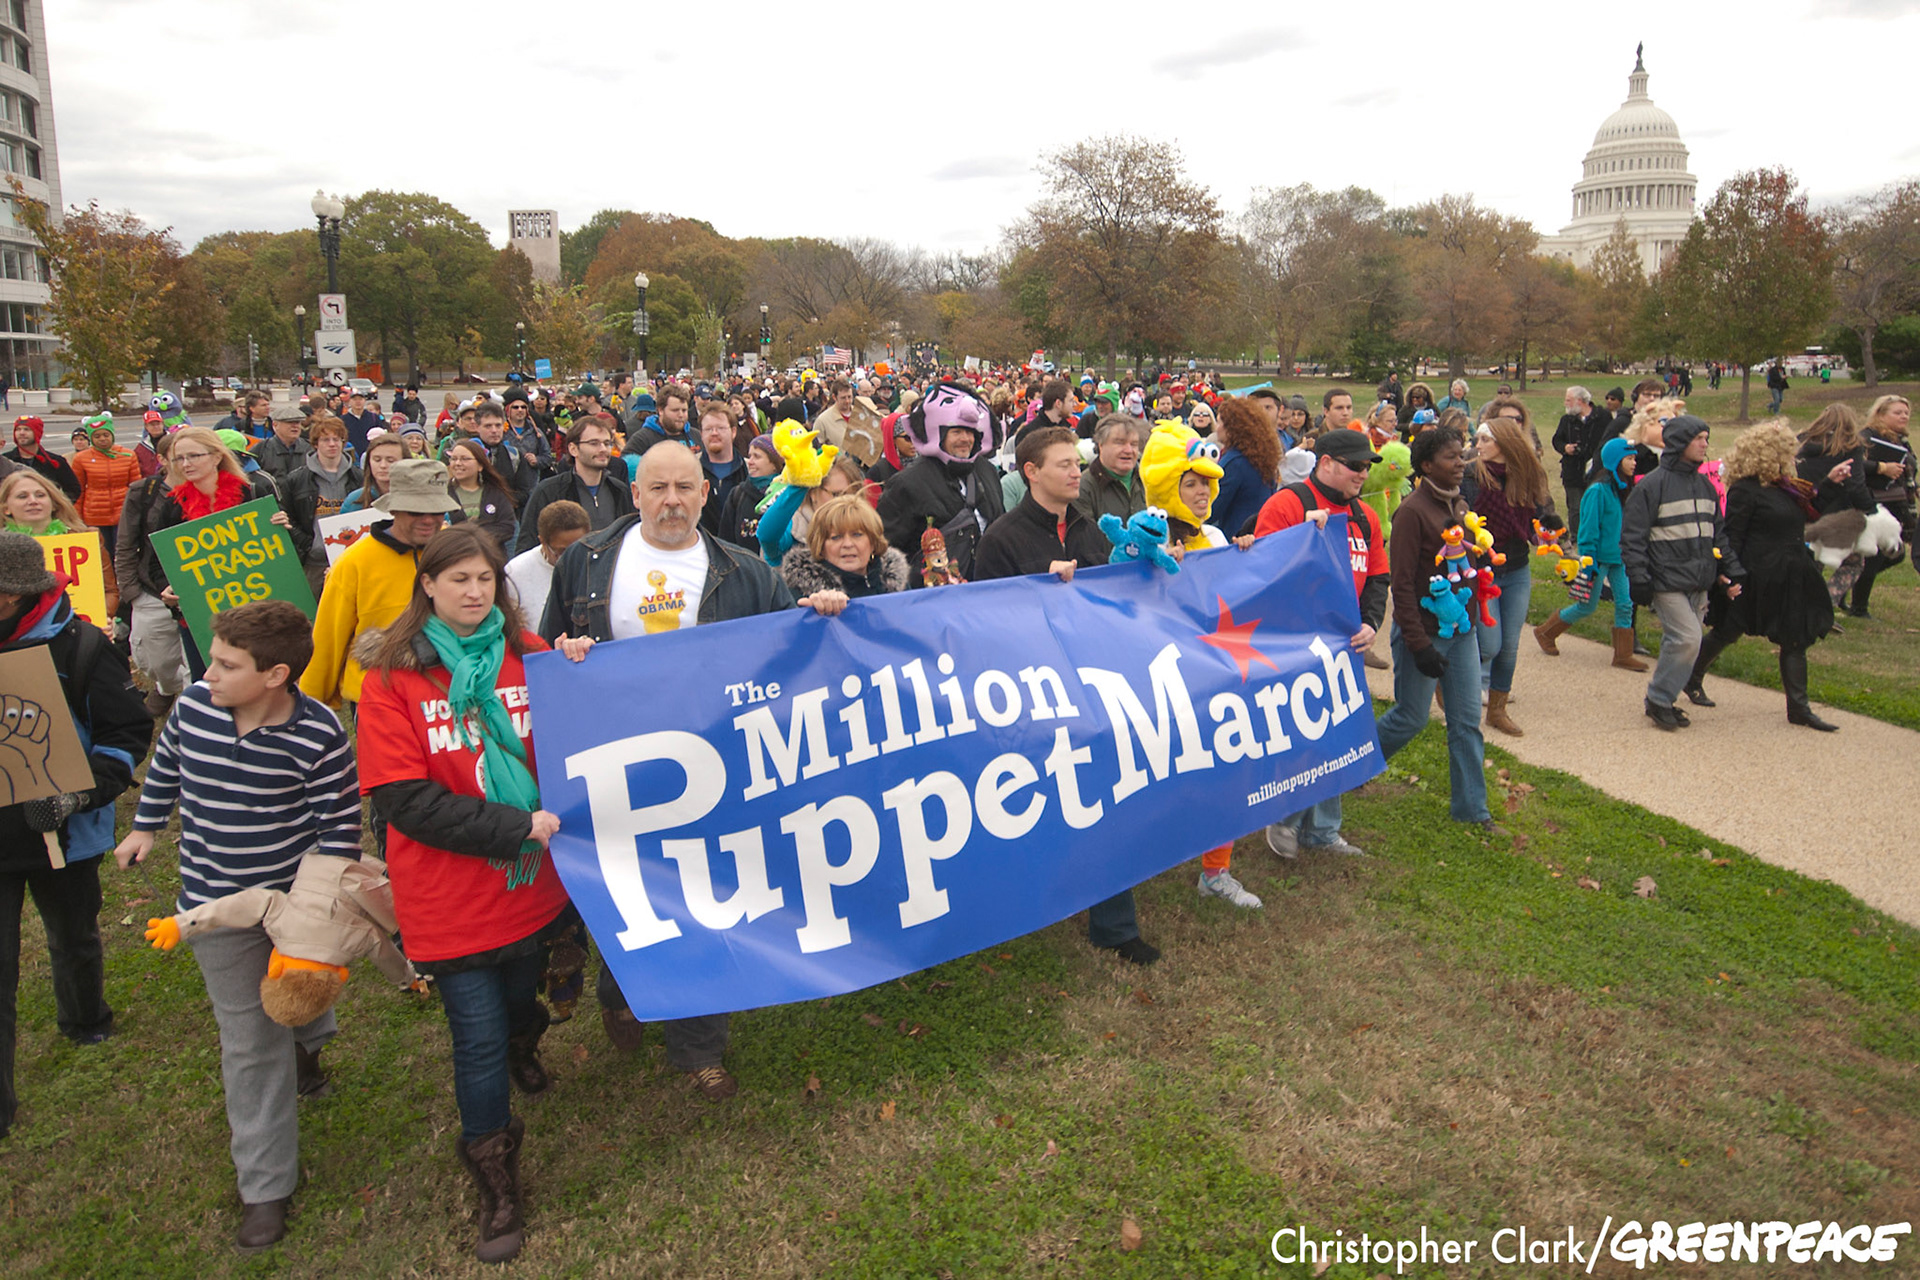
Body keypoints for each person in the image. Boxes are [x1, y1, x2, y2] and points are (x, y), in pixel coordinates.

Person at [541, 442, 805, 1093]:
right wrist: (563, 649)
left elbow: (792, 654)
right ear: (635, 494)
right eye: (657, 487)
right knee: (630, 893)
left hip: (714, 763)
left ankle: (698, 1049)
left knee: (709, 895)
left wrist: (821, 612)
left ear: (705, 493)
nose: (671, 500)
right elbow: (543, 651)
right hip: (614, 762)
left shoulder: (744, 572)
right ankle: (620, 989)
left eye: (685, 487)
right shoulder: (588, 560)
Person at [115, 600, 361, 1252]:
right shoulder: (195, 708)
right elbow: (166, 765)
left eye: (227, 664)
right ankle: (266, 1187)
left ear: (276, 674)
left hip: (291, 910)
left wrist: (316, 913)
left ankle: (310, 1041)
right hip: (213, 908)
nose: (209, 675)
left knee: (299, 1002)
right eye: (213, 659)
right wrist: (145, 824)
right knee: (251, 1044)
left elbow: (339, 833)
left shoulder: (319, 737)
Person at [356, 526, 572, 1263]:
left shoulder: (529, 655)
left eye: (486, 580)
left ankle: (526, 1039)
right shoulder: (391, 679)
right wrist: (515, 826)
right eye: (459, 582)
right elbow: (404, 801)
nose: (476, 593)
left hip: (531, 889)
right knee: (474, 1035)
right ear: (428, 586)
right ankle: (494, 1168)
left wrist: (578, 666)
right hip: (450, 897)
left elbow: (588, 720)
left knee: (519, 1000)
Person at [0, 531, 149, 1143]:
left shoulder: (83, 645)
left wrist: (76, 796)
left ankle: (86, 1018)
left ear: (19, 593)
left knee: (74, 934)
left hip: (62, 830)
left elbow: (126, 735)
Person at [1254, 428, 1388, 858]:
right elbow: (1264, 568)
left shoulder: (1365, 516)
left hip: (1346, 644)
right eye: (1355, 465)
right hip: (1295, 644)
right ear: (1325, 462)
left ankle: (1324, 831)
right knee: (1302, 733)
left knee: (1340, 734)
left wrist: (1370, 623)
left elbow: (1378, 578)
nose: (1362, 474)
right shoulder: (1290, 504)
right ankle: (1284, 819)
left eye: (1367, 467)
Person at [1373, 425, 1494, 829]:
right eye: (1450, 457)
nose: (1461, 463)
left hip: (1462, 632)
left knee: (1466, 722)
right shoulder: (1411, 512)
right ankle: (1354, 764)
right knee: (1411, 717)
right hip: (1422, 634)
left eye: (1462, 455)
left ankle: (1473, 811)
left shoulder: (1460, 504)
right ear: (1426, 465)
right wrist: (1418, 643)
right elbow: (1402, 584)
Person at [1681, 423, 1835, 731]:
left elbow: (1810, 513)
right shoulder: (1745, 489)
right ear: (1767, 453)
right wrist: (1727, 575)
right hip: (1754, 575)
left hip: (1791, 573)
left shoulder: (1787, 486)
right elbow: (1731, 537)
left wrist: (1830, 484)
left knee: (1795, 637)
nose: (1793, 455)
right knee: (1728, 631)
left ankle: (1799, 708)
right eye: (1786, 450)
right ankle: (1692, 678)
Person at [301, 458, 456, 715]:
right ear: (393, 509)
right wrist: (311, 705)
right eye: (416, 511)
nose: (429, 520)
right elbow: (328, 639)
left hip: (444, 694)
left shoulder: (455, 554)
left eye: (436, 511)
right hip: (377, 700)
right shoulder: (354, 562)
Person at [1621, 416, 1741, 731]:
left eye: (1706, 437)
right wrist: (1639, 578)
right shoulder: (1652, 485)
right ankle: (1659, 700)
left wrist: (1732, 568)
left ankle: (1665, 698)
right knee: (1688, 638)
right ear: (1678, 442)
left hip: (1698, 578)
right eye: (1698, 438)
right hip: (1665, 579)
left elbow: (1718, 533)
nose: (1704, 444)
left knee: (1681, 641)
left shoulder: (1704, 484)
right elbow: (1632, 537)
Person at [1465, 406, 1558, 736]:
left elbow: (1541, 516)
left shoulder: (1526, 475)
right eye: (1477, 438)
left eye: (1485, 439)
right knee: (1488, 645)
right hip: (1483, 570)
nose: (1478, 444)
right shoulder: (1470, 476)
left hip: (1517, 568)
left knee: (1509, 647)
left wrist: (1548, 531)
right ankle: (1450, 683)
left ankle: (1497, 710)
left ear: (1504, 442)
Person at [875, 381, 1005, 583]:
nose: (965, 439)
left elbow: (1000, 525)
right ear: (938, 435)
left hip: (986, 588)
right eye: (956, 432)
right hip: (933, 598)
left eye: (970, 432)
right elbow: (885, 549)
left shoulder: (987, 471)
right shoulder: (907, 483)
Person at [1534, 437, 1646, 671]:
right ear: (1615, 461)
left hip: (1618, 558)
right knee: (1587, 605)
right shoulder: (1598, 491)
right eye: (1629, 458)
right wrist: (1589, 560)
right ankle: (1545, 632)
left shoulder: (1622, 490)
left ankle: (1623, 654)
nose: (1634, 463)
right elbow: (1587, 529)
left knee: (1625, 603)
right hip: (1596, 559)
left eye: (1634, 458)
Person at [1795, 403, 1875, 609]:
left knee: (1815, 561)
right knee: (1853, 562)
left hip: (1804, 508)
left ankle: (1802, 605)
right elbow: (1855, 484)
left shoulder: (1801, 444)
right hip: (1837, 513)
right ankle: (1824, 604)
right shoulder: (1850, 447)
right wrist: (1870, 509)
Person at [513, 416, 631, 556]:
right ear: (573, 449)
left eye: (607, 443)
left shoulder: (619, 490)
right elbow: (527, 546)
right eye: (594, 443)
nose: (603, 449)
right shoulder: (549, 491)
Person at [1849, 394, 1915, 618]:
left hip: (1896, 501)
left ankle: (1846, 587)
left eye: (1906, 412)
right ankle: (1858, 607)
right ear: (1880, 414)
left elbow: (1909, 468)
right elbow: (1854, 464)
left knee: (1894, 554)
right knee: (1877, 555)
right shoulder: (1866, 437)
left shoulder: (1901, 440)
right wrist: (1881, 467)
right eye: (1897, 412)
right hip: (1874, 502)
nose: (1904, 416)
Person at [779, 491, 910, 601]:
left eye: (857, 535)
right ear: (821, 547)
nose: (847, 544)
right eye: (836, 537)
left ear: (873, 542)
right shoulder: (799, 594)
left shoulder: (899, 587)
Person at [757, 451, 862, 566]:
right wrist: (799, 486)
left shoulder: (865, 528)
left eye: (850, 495)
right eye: (836, 495)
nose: (843, 502)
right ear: (813, 493)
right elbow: (766, 536)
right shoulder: (794, 527)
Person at [504, 500, 589, 625]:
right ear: (542, 541)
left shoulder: (599, 564)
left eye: (579, 548)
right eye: (562, 551)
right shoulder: (514, 572)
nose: (572, 556)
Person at [72, 417, 141, 566]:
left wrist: (138, 513)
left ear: (112, 435)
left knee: (124, 553)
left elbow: (136, 488)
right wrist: (76, 519)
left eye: (106, 435)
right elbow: (77, 491)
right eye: (97, 436)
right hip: (94, 516)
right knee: (101, 556)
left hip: (123, 514)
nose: (102, 439)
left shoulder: (128, 455)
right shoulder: (81, 459)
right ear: (91, 438)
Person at [1211, 397, 1280, 538]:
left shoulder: (1235, 462)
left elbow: (1211, 510)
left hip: (1236, 539)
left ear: (1232, 427)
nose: (1216, 428)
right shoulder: (1262, 457)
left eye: (1219, 422)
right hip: (1261, 535)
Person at [1073, 414, 1148, 533]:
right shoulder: (1083, 486)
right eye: (1120, 443)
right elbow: (1086, 541)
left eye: (1133, 444)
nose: (1129, 450)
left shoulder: (1147, 478)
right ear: (1101, 445)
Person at [444, 439, 519, 551]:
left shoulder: (495, 493)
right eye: (454, 459)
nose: (458, 463)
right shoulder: (443, 494)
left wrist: (472, 537)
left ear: (480, 465)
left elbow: (506, 527)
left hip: (491, 558)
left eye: (465, 459)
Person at [1551, 386, 1607, 531]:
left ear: (1580, 401)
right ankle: (1576, 536)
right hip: (1572, 470)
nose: (1565, 403)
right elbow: (1557, 440)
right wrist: (1565, 448)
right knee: (1575, 507)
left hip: (1596, 469)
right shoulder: (1566, 420)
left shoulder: (1602, 418)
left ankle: (1594, 532)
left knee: (1594, 504)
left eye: (1568, 400)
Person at [718, 434, 781, 550]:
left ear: (774, 463)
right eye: (749, 456)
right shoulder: (737, 495)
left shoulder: (786, 495)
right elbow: (726, 542)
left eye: (757, 457)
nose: (750, 462)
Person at [698, 402, 747, 535]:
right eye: (708, 429)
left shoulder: (749, 470)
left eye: (720, 428)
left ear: (733, 432)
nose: (714, 433)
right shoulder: (689, 470)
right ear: (701, 434)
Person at [5, 415, 79, 500]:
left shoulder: (55, 462)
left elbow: (73, 490)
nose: (21, 433)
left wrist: (56, 507)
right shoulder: (6, 461)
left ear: (37, 433)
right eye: (18, 429)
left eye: (26, 429)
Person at [0, 468, 85, 536]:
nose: (33, 501)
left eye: (40, 495)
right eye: (22, 496)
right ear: (6, 508)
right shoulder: (3, 545)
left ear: (54, 504)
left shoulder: (79, 537)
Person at [340, 434, 407, 514]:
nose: (383, 465)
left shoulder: (419, 498)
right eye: (377, 460)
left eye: (390, 460)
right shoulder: (354, 501)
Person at [623, 384, 695, 456]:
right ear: (660, 410)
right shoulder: (642, 440)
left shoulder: (695, 436)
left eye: (684, 410)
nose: (681, 415)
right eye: (675, 410)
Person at [501, 390, 554, 481]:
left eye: (523, 407)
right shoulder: (500, 432)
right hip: (506, 484)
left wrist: (537, 460)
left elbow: (548, 457)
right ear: (507, 409)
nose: (520, 410)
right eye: (515, 407)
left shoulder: (536, 432)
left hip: (531, 484)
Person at [338, 391, 382, 457]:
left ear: (364, 401)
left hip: (371, 454)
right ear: (350, 401)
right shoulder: (343, 419)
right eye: (355, 399)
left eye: (360, 399)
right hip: (351, 455)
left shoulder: (373, 417)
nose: (358, 402)